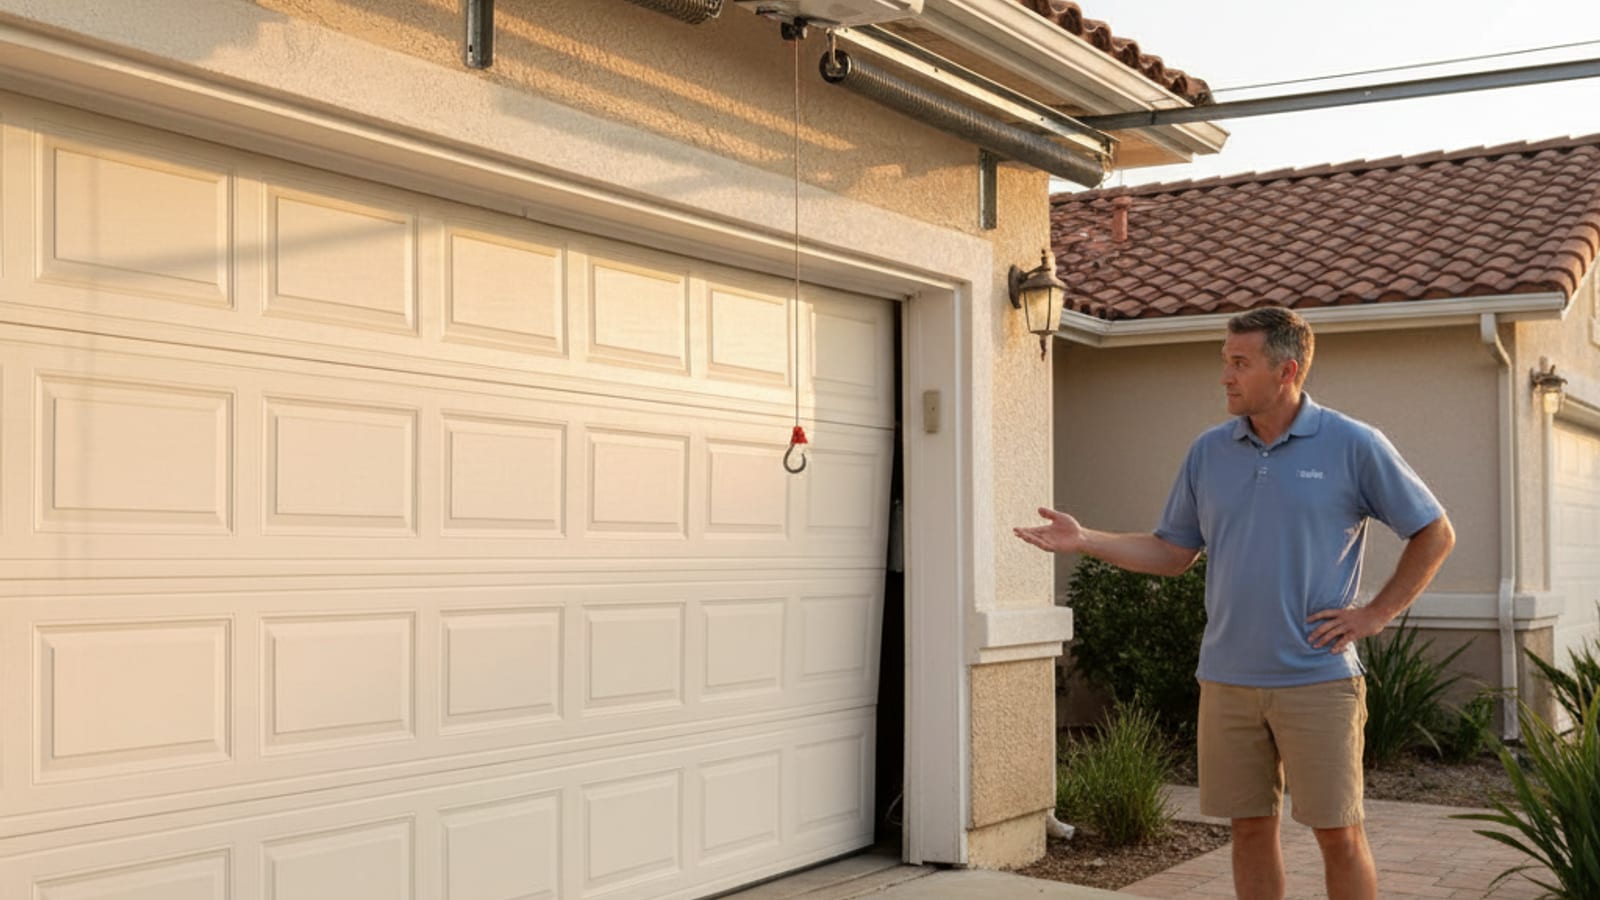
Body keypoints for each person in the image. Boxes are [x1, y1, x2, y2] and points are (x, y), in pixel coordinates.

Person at [1015, 306, 1455, 900]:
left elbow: (1434, 532)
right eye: (1224, 361)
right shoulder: (1208, 452)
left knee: (1338, 834)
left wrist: (1375, 613)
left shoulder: (1353, 445)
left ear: (1286, 370)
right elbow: (1174, 552)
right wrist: (1085, 538)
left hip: (1317, 679)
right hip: (1226, 680)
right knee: (1248, 831)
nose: (1225, 375)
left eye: (1240, 363)